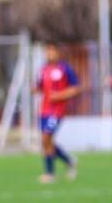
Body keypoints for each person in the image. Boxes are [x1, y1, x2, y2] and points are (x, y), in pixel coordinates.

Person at [34, 43, 81, 184]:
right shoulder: (43, 70)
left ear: (57, 53)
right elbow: (40, 87)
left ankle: (50, 173)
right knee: (46, 141)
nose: (49, 54)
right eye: (47, 52)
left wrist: (59, 95)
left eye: (51, 51)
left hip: (56, 111)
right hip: (44, 110)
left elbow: (75, 88)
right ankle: (69, 161)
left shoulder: (65, 68)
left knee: (46, 138)